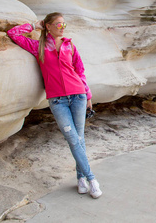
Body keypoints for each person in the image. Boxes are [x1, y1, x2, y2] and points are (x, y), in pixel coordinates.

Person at [7, 12, 102, 199]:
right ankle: (92, 179)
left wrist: (88, 95)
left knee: (79, 138)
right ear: (48, 26)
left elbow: (80, 71)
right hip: (57, 100)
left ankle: (80, 179)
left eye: (64, 24)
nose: (62, 27)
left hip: (78, 96)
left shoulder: (70, 45)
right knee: (73, 139)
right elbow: (13, 34)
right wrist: (35, 26)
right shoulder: (38, 47)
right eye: (58, 24)